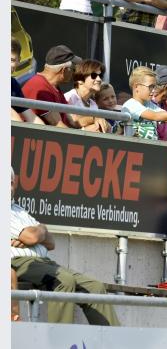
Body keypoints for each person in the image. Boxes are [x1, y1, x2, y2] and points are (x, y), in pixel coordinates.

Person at [10, 166, 119, 326]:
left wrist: (41, 230)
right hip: (20, 263)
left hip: (45, 263)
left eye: (11, 183)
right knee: (64, 280)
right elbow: (32, 237)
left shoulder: (19, 210)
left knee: (95, 288)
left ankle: (114, 342)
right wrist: (38, 233)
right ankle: (60, 341)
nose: (9, 187)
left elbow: (51, 242)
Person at [22, 44, 81, 128]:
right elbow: (58, 126)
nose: (74, 73)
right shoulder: (39, 86)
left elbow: (73, 120)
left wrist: (95, 119)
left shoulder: (53, 87)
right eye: (73, 69)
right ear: (63, 70)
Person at [63, 58, 110, 132]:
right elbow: (72, 122)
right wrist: (94, 120)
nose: (99, 79)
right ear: (80, 80)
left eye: (100, 76)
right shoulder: (69, 97)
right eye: (94, 75)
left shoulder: (93, 104)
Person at [10, 39, 44, 124]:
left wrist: (46, 133)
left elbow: (31, 118)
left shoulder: (13, 84)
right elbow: (13, 117)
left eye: (12, 60)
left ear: (19, 61)